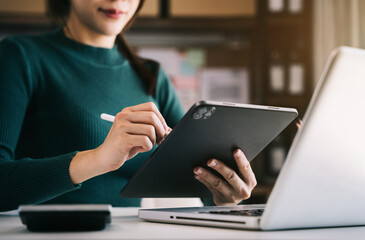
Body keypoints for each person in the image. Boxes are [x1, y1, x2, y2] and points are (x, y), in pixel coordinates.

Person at [0, 0, 257, 211]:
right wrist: (99, 158)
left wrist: (224, 194)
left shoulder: (151, 74)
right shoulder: (20, 56)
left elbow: (199, 179)